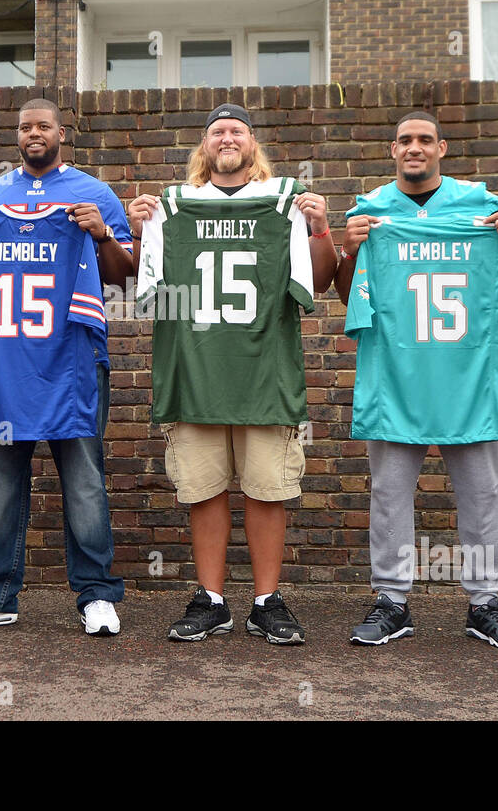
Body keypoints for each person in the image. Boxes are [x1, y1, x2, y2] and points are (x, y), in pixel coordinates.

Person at [128, 103, 337, 646]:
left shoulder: (286, 205)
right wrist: (137, 233)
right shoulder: (169, 209)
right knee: (204, 490)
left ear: (251, 145)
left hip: (265, 373)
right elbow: (141, 288)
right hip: (193, 373)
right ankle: (212, 598)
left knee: (268, 491)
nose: (227, 137)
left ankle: (266, 600)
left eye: (237, 130)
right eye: (217, 131)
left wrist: (319, 228)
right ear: (204, 146)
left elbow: (314, 285)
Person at [336, 111, 498, 649]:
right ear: (392, 150)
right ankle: (391, 601)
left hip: (469, 375)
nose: (415, 148)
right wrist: (350, 249)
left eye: (425, 140)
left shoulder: (483, 210)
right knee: (390, 495)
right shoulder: (371, 214)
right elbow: (345, 297)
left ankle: (485, 601)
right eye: (405, 140)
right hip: (396, 375)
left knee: (481, 493)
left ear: (442, 148)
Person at [0, 99, 132, 636]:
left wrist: (100, 235)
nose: (33, 133)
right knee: (2, 485)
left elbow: (125, 278)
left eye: (43, 125)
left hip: (73, 360)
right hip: (4, 361)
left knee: (84, 482)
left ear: (61, 133)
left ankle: (96, 596)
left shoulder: (94, 194)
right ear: (16, 136)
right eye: (25, 127)